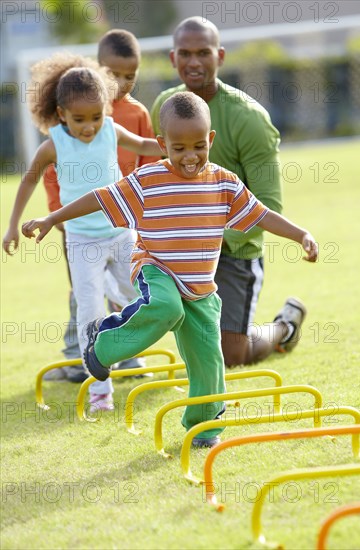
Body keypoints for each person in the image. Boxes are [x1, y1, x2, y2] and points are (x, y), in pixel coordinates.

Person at [22, 92, 318, 446]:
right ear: (163, 145)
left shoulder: (224, 183)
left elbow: (261, 214)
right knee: (166, 307)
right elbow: (100, 198)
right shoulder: (148, 179)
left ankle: (204, 428)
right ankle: (102, 345)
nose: (190, 156)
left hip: (201, 289)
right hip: (155, 269)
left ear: (210, 140)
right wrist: (53, 217)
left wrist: (300, 235)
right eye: (178, 149)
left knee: (209, 361)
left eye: (198, 146)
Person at [2, 53, 161, 412]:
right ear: (60, 114)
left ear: (106, 108)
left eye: (96, 116)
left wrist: (177, 148)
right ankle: (100, 391)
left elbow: (144, 146)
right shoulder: (54, 145)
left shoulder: (110, 130)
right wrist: (12, 225)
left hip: (121, 232)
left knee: (135, 294)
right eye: (79, 120)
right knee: (89, 310)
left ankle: (124, 339)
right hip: (82, 240)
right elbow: (28, 181)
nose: (89, 127)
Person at [151, 17, 305, 367]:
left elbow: (269, 203)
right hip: (182, 247)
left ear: (219, 56)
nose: (194, 62)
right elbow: (158, 176)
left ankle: (284, 326)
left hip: (236, 251)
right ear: (172, 59)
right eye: (185, 53)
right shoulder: (163, 106)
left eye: (203, 52)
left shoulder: (249, 118)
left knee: (231, 357)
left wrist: (209, 231)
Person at [42, 29, 161, 381]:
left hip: (121, 221)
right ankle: (75, 357)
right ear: (98, 70)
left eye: (130, 75)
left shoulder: (135, 114)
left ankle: (124, 354)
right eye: (113, 74)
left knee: (128, 286)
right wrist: (56, 212)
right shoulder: (77, 109)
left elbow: (146, 157)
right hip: (77, 221)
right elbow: (53, 169)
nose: (122, 82)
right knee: (84, 292)